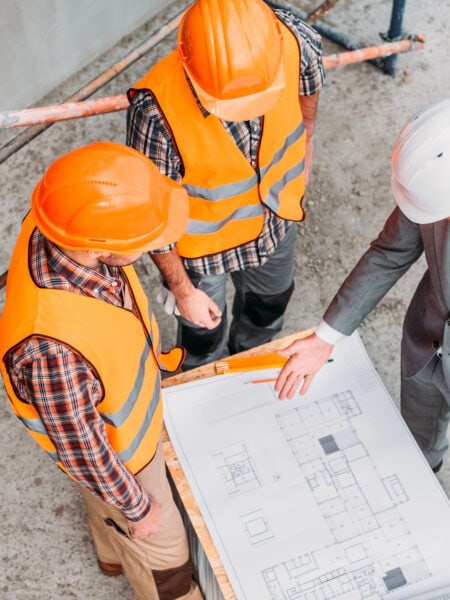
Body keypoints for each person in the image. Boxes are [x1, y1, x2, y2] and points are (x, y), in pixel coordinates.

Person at [0, 142, 204, 600]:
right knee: (165, 558)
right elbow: (85, 450)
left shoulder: (57, 218)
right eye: (140, 239)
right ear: (100, 247)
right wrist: (138, 508)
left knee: (100, 499)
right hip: (125, 459)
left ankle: (112, 555)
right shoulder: (51, 348)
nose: (153, 244)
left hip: (114, 436)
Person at [126, 0, 325, 370]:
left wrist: (304, 155)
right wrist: (183, 291)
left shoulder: (293, 41)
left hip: (276, 223)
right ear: (188, 65)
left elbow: (309, 99)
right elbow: (151, 215)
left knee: (267, 310)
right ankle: (205, 380)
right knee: (201, 342)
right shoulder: (156, 111)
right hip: (203, 254)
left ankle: (248, 366)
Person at [274, 98, 450, 475]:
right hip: (426, 343)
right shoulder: (436, 170)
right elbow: (390, 252)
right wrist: (325, 337)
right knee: (418, 440)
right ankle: (423, 475)